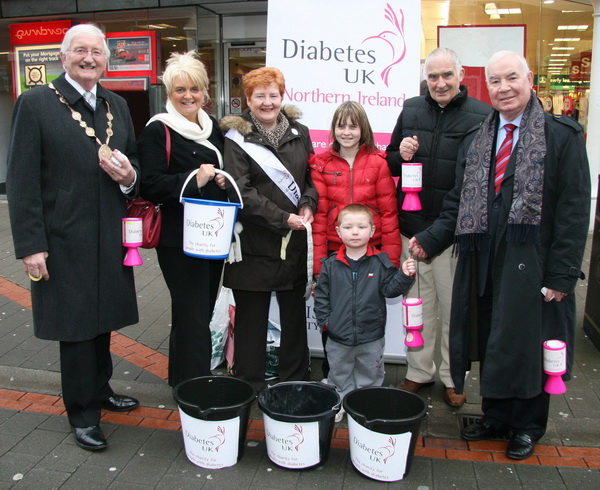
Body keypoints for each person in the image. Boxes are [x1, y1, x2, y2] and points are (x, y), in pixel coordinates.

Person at [409, 51, 590, 460]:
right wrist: (431, 239)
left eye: (512, 78)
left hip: (533, 264)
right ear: (485, 86)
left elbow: (574, 211)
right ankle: (495, 416)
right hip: (483, 260)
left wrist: (562, 276)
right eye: (495, 81)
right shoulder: (479, 137)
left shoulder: (561, 136)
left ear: (529, 79)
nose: (504, 88)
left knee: (528, 344)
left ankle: (527, 425)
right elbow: (457, 202)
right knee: (491, 339)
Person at [6, 24, 140, 451]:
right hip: (62, 236)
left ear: (106, 60)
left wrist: (130, 176)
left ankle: (100, 389)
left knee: (102, 321)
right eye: (79, 51)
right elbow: (21, 180)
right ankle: (82, 413)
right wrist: (30, 246)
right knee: (77, 327)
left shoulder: (116, 103)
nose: (88, 58)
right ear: (62, 58)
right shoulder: (35, 103)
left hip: (109, 233)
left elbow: (133, 161)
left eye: (96, 52)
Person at [386, 47, 491, 407]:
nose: (440, 83)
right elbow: (389, 161)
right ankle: (418, 372)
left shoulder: (482, 116)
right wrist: (400, 154)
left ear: (460, 75)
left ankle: (451, 376)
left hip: (452, 234)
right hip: (411, 228)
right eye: (433, 76)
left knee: (452, 309)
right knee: (417, 307)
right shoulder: (411, 108)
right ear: (425, 79)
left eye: (447, 75)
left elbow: (480, 183)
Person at [220, 66, 317, 392]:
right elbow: (240, 191)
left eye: (272, 95)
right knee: (251, 323)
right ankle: (249, 386)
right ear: (247, 99)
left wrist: (307, 204)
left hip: (292, 244)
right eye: (259, 95)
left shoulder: (300, 132)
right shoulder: (236, 138)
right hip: (254, 245)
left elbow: (311, 180)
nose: (266, 102)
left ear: (282, 96)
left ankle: (294, 383)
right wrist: (281, 218)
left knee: (293, 322)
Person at [138, 51, 228, 388]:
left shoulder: (213, 127)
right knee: (192, 314)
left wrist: (221, 179)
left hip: (212, 236)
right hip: (179, 239)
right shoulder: (158, 130)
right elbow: (148, 184)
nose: (188, 96)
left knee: (199, 310)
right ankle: (196, 386)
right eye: (179, 90)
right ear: (168, 93)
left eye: (194, 89)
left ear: (206, 92)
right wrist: (195, 179)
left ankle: (181, 377)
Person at [310, 100, 401, 378]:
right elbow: (320, 217)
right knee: (335, 318)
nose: (347, 132)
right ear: (333, 129)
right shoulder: (320, 163)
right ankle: (333, 377)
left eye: (353, 125)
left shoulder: (378, 162)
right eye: (341, 125)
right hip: (335, 257)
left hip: (369, 258)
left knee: (365, 315)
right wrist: (318, 265)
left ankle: (367, 380)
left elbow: (388, 213)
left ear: (363, 129)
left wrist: (391, 260)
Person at [314, 204, 415, 422]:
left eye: (361, 226)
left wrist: (404, 276)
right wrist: (326, 322)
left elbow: (390, 290)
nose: (355, 232)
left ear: (372, 231)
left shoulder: (381, 262)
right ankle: (340, 401)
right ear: (339, 232)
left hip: (371, 335)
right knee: (338, 374)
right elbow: (321, 296)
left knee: (370, 374)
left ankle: (364, 403)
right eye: (348, 227)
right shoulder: (331, 264)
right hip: (338, 336)